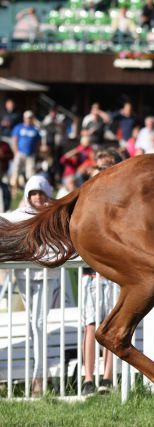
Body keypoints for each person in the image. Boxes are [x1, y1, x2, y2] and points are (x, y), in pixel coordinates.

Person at [0, 175, 63, 396]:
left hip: (48, 276)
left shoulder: (56, 215)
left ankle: (38, 379)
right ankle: (39, 372)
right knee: (32, 324)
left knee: (37, 323)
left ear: (47, 194)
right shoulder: (18, 216)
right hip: (25, 277)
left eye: (41, 193)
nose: (37, 197)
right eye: (33, 193)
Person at [80, 149, 121, 396]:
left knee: (111, 324)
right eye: (100, 166)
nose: (103, 170)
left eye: (108, 166)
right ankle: (87, 379)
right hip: (91, 274)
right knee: (90, 325)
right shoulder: (87, 195)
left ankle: (107, 378)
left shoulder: (121, 198)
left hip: (114, 272)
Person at [10, 110, 41, 193]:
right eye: (27, 118)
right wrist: (15, 151)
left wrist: (36, 152)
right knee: (16, 171)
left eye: (30, 118)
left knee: (30, 173)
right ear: (24, 118)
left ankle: (29, 189)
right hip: (20, 152)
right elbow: (14, 140)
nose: (29, 119)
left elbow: (38, 142)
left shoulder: (35, 129)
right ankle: (14, 189)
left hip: (31, 154)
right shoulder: (19, 127)